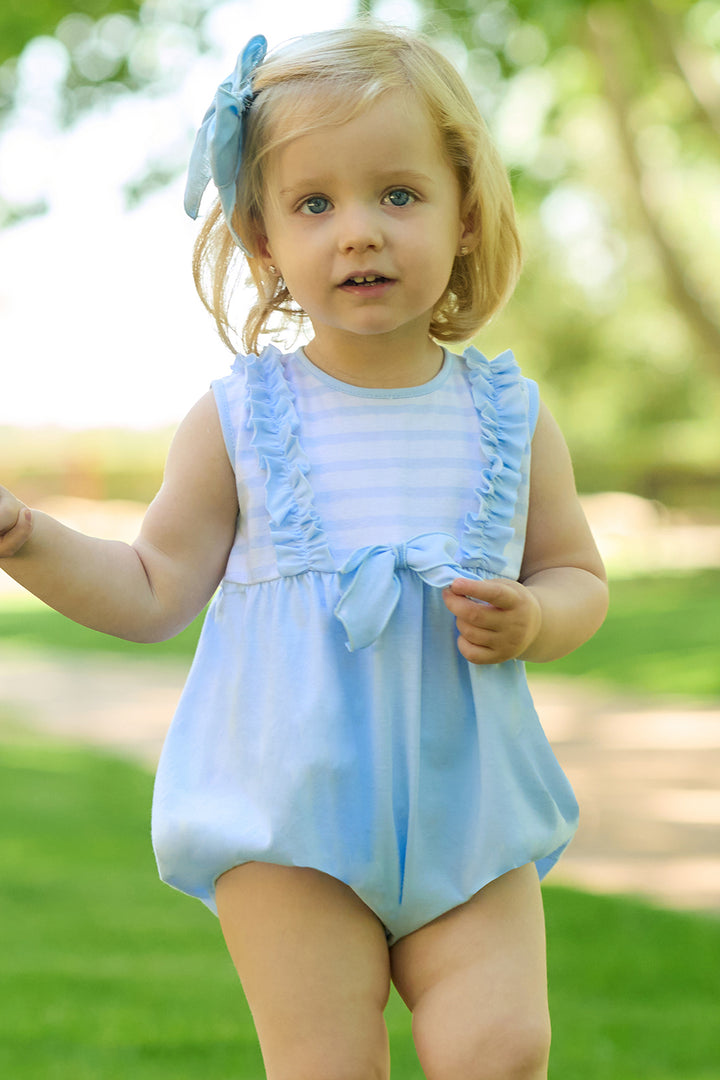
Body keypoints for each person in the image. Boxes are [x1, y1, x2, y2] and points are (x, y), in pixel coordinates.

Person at [0, 24, 608, 1080]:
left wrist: (540, 615)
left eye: (399, 195)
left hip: (469, 809)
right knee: (328, 1066)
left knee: (502, 1049)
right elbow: (150, 591)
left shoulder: (508, 415)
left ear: (466, 212)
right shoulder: (243, 418)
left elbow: (578, 576)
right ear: (264, 240)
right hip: (286, 813)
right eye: (314, 204)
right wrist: (30, 542)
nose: (358, 232)